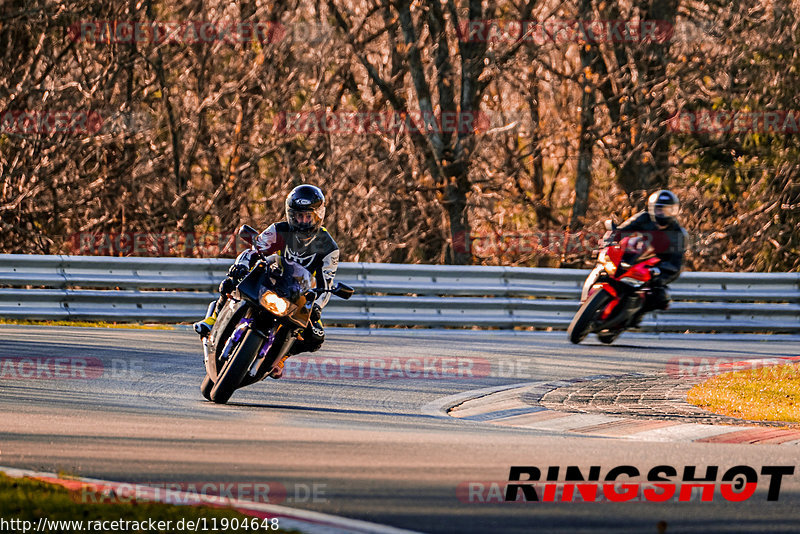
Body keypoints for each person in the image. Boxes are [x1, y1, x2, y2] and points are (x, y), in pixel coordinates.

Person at [194, 184, 339, 378]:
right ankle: (213, 320)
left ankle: (280, 358)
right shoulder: (280, 229)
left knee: (315, 337)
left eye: (308, 216)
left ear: (318, 215)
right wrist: (242, 265)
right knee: (231, 282)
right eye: (298, 216)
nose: (303, 221)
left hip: (298, 294)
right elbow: (255, 249)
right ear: (290, 215)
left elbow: (326, 283)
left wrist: (317, 306)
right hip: (270, 279)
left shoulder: (329, 246)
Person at [604, 190, 688, 326]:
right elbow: (624, 229)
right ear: (652, 208)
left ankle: (636, 315)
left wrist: (660, 273)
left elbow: (676, 264)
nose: (662, 213)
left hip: (657, 268)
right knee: (608, 262)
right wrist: (611, 238)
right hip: (635, 256)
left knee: (661, 298)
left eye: (667, 210)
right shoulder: (644, 217)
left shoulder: (678, 234)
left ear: (674, 211)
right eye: (659, 209)